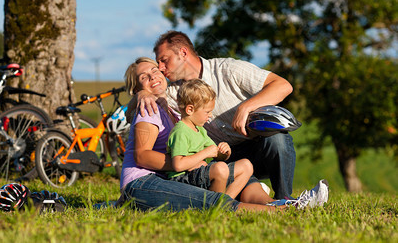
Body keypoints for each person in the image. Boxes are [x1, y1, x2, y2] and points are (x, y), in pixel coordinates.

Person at [118, 57, 328, 212]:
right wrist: (189, 161)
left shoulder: (172, 106)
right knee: (211, 201)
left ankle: (281, 201)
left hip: (170, 176)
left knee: (237, 172)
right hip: (143, 181)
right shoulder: (148, 108)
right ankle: (282, 211)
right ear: (136, 87)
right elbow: (142, 156)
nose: (153, 76)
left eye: (155, 70)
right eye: (143, 77)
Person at [134, 30, 296, 199]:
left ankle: (285, 199)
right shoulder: (174, 93)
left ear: (183, 53)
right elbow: (141, 100)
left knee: (277, 139)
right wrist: (142, 94)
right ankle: (242, 198)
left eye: (164, 60)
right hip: (219, 158)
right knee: (227, 177)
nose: (160, 68)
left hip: (261, 149)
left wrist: (246, 107)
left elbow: (283, 86)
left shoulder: (228, 69)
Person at [167, 78, 253, 200]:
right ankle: (215, 205)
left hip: (200, 173)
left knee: (246, 165)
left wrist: (224, 151)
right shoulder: (180, 131)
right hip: (183, 178)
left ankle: (225, 203)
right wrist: (205, 153)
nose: (210, 115)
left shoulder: (200, 130)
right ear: (190, 110)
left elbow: (217, 155)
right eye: (207, 112)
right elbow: (178, 165)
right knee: (220, 168)